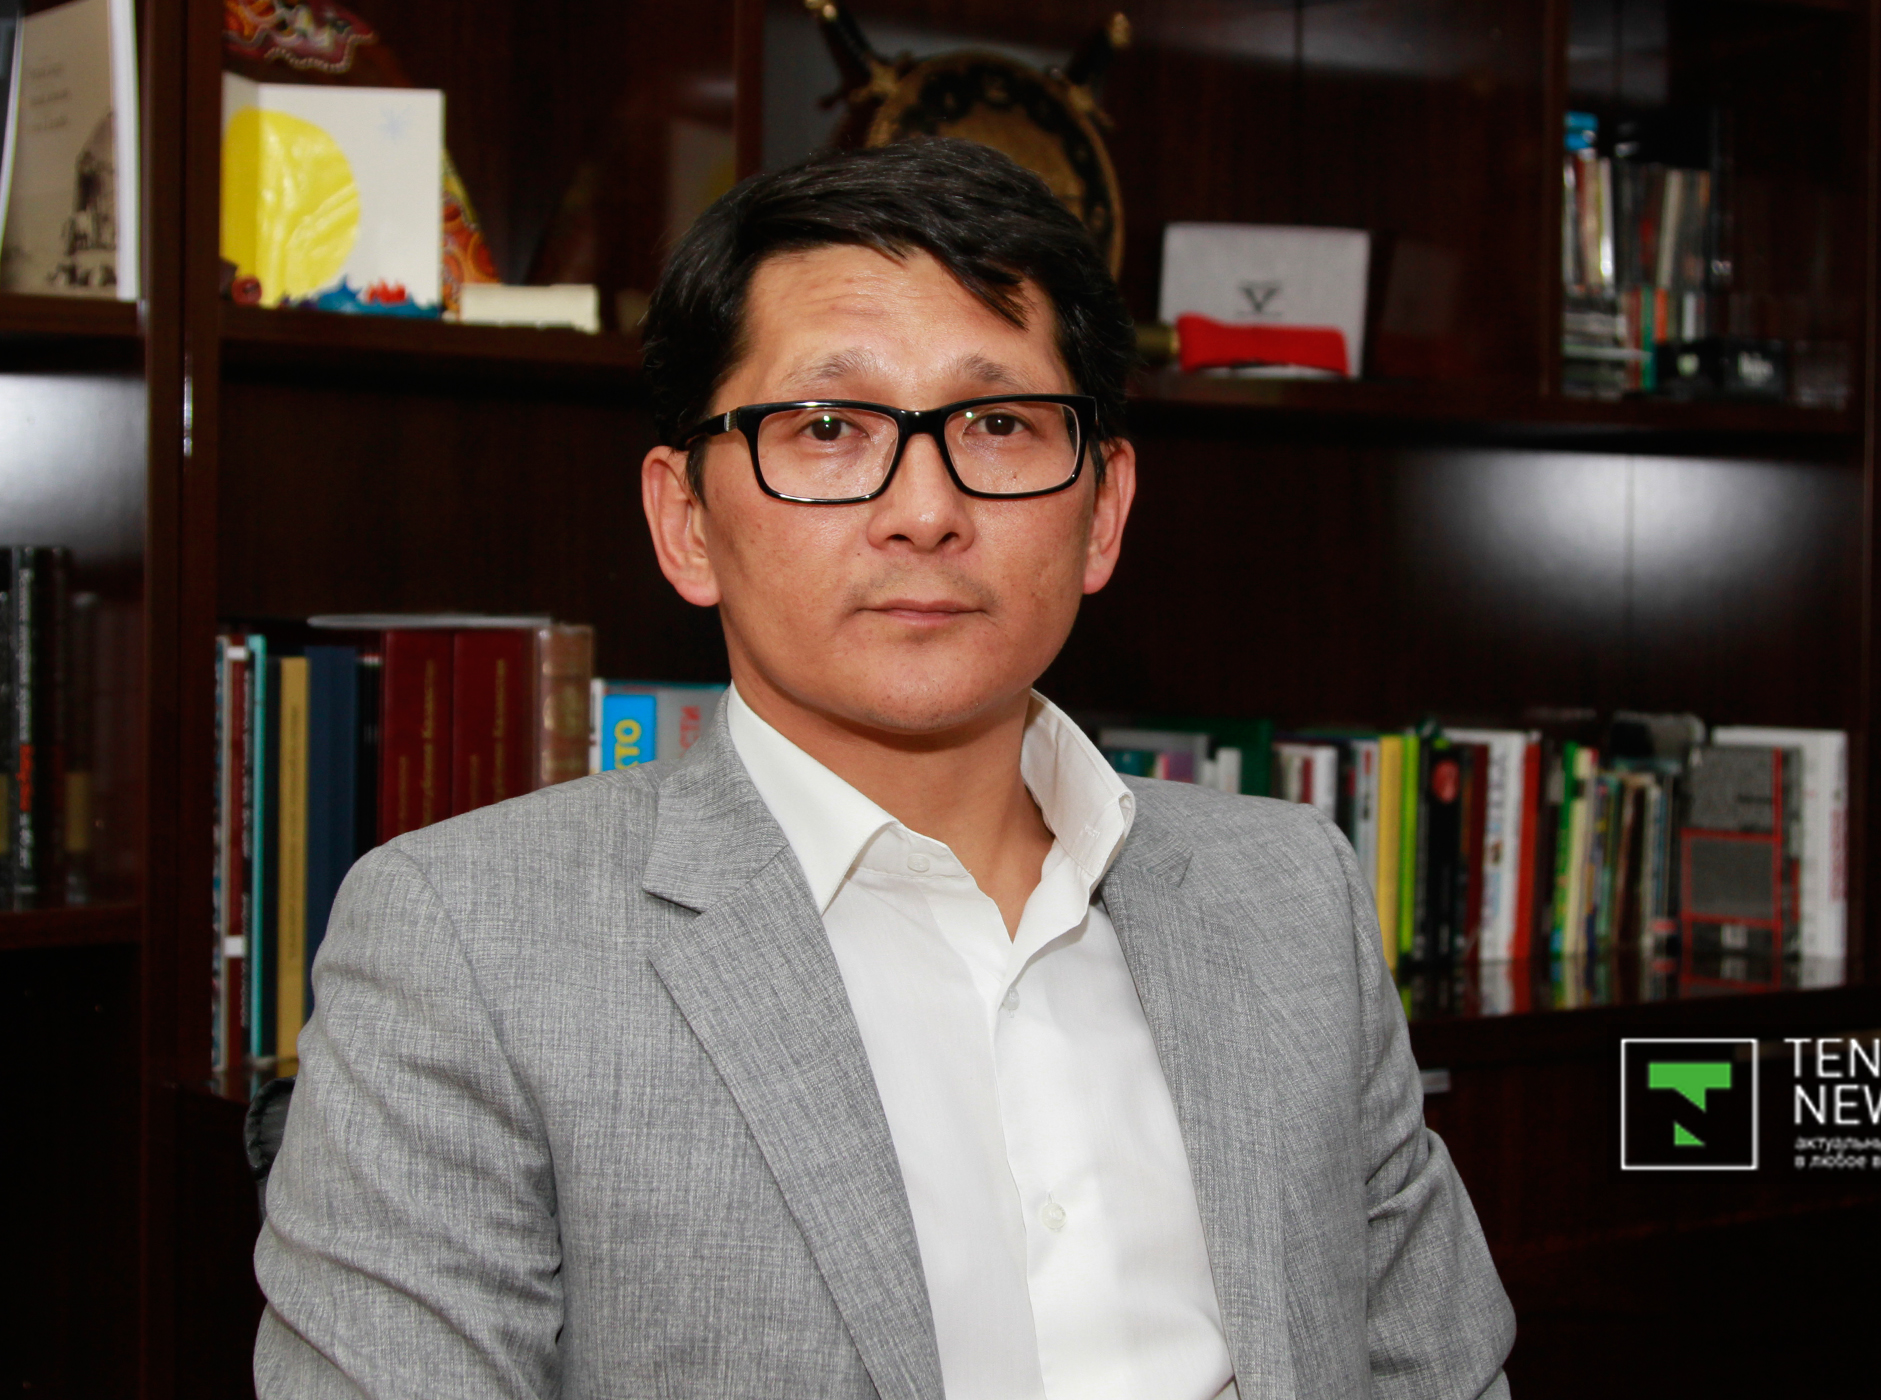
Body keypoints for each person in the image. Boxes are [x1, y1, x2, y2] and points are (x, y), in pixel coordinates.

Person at [254, 137, 1514, 1400]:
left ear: (1102, 510)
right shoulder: (469, 945)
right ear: (686, 522)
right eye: (827, 427)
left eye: (999, 424)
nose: (923, 509)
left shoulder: (1289, 894)